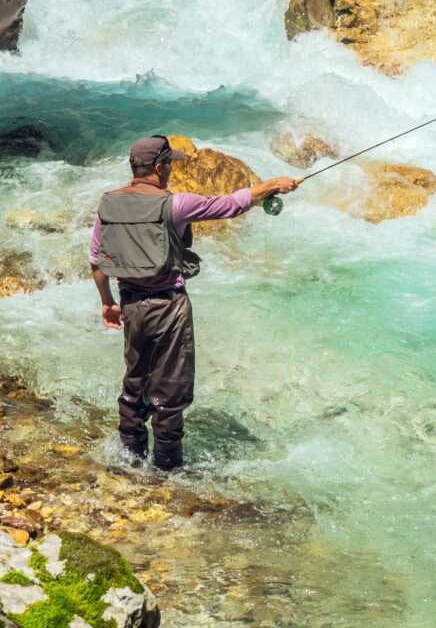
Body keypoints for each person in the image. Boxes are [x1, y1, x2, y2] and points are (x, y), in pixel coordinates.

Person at [88, 135, 299, 471]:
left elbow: (97, 262)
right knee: (169, 394)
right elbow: (231, 204)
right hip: (169, 307)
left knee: (136, 384)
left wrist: (107, 303)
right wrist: (271, 185)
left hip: (131, 306)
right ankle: (167, 472)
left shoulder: (108, 204)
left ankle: (129, 461)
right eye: (169, 163)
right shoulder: (176, 204)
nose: (171, 169)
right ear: (159, 167)